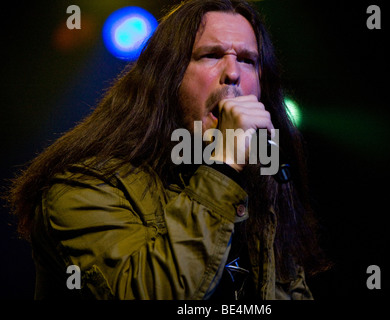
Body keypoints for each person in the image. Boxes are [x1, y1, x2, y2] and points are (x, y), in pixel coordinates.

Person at [5, 0, 329, 299]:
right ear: (167, 77)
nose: (233, 73)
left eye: (247, 60)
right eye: (211, 55)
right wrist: (223, 166)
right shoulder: (83, 188)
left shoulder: (259, 185)